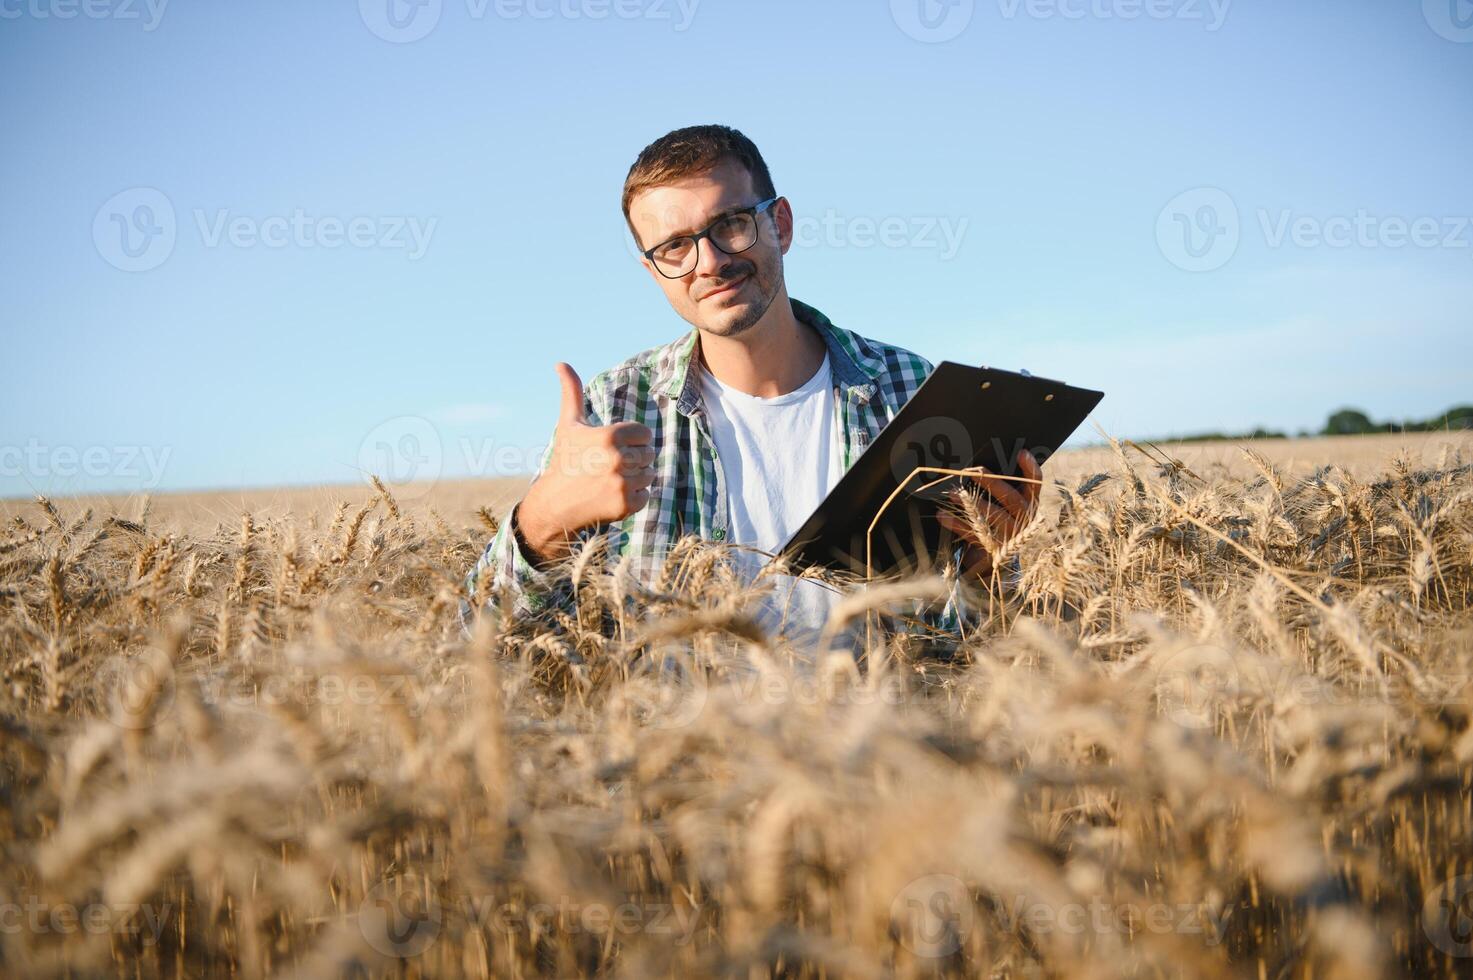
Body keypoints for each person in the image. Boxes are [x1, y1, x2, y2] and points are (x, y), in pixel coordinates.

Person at [464, 124, 1040, 655]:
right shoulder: (613, 410)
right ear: (651, 270)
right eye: (674, 247)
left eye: (731, 224)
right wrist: (540, 524)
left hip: (884, 757)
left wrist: (986, 567)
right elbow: (481, 648)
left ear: (780, 224)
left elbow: (968, 654)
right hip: (681, 764)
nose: (708, 262)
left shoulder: (910, 392)